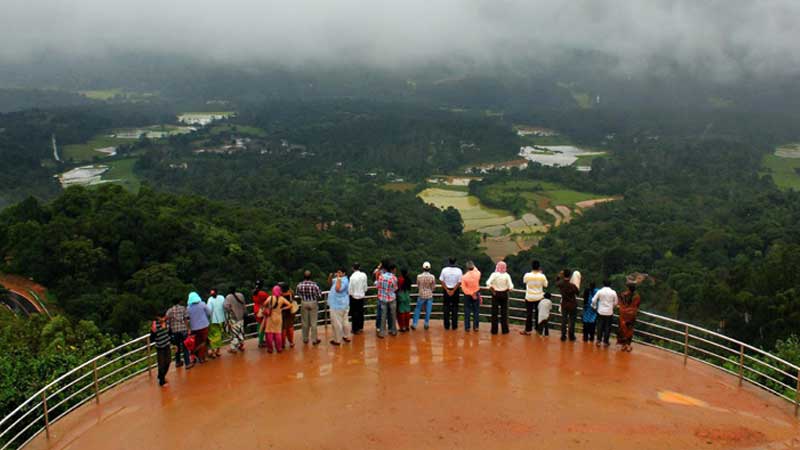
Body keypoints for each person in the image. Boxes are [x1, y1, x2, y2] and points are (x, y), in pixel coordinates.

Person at [486, 261, 514, 335]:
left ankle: (494, 330)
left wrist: (493, 290)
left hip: (495, 294)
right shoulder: (507, 275)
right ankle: (505, 330)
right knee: (504, 313)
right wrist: (507, 290)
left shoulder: (494, 274)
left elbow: (488, 283)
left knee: (494, 313)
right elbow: (511, 287)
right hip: (504, 294)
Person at [521, 260, 548, 336]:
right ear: (539, 267)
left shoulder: (527, 275)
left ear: (532, 266)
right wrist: (541, 274)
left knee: (529, 314)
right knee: (538, 314)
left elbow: (524, 281)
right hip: (539, 297)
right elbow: (546, 285)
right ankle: (538, 329)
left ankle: (528, 330)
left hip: (529, 297)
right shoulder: (542, 276)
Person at [262, 285, 291, 353]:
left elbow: (264, 304)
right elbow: (290, 305)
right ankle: (279, 348)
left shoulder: (270, 298)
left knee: (269, 333)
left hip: (270, 317)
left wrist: (268, 307)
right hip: (278, 317)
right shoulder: (282, 298)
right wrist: (283, 308)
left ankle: (270, 349)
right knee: (278, 333)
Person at [296, 271, 323, 345]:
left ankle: (305, 339)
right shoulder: (314, 285)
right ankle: (314, 340)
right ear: (311, 276)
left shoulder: (300, 285)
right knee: (313, 322)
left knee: (305, 322)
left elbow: (297, 293)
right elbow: (320, 294)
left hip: (304, 302)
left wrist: (303, 297)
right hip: (313, 302)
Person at [327, 268, 351, 346]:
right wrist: (330, 277)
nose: (337, 273)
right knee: (344, 321)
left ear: (344, 273)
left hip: (338, 305)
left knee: (336, 323)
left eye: (339, 272)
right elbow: (330, 284)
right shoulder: (339, 279)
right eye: (337, 272)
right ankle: (346, 336)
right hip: (342, 304)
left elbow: (337, 289)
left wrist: (339, 278)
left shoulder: (344, 281)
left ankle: (337, 340)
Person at [591, 280, 618, 347]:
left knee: (599, 326)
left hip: (600, 311)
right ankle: (606, 342)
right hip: (609, 312)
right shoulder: (613, 292)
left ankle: (598, 341)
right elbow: (616, 302)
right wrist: (612, 307)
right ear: (610, 284)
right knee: (607, 327)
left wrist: (594, 307)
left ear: (603, 284)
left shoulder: (600, 291)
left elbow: (593, 300)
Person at [165, 299, 191, 369]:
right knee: (185, 347)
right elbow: (186, 319)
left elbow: (167, 321)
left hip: (174, 331)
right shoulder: (183, 309)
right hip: (183, 330)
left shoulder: (169, 311)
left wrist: (169, 330)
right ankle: (187, 363)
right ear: (179, 302)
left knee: (177, 347)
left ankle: (178, 362)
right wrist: (188, 329)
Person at [187, 291, 211, 365]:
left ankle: (194, 355)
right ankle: (202, 357)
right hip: (204, 326)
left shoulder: (188, 308)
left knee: (196, 342)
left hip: (194, 328)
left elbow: (187, 318)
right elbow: (209, 312)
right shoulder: (202, 304)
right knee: (204, 342)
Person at [439, 257, 463, 330]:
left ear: (449, 262)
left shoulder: (444, 270)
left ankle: (446, 326)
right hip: (455, 291)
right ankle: (454, 325)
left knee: (446, 308)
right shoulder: (459, 271)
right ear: (455, 262)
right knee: (455, 308)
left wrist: (447, 289)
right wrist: (453, 290)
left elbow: (442, 281)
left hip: (446, 290)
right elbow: (459, 282)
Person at [375, 261, 399, 338]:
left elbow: (377, 286)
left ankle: (382, 333)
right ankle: (393, 330)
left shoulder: (381, 277)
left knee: (383, 316)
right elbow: (395, 288)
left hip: (382, 299)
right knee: (393, 315)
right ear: (392, 269)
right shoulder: (394, 278)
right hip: (391, 299)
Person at [617, 284, 642, 352]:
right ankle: (628, 345)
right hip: (631, 315)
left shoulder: (622, 294)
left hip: (623, 314)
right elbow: (637, 305)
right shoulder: (637, 296)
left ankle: (623, 345)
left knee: (622, 329)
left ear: (628, 288)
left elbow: (619, 303)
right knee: (629, 329)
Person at [556, 269, 579, 342]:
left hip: (564, 304)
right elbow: (577, 292)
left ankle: (563, 335)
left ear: (563, 275)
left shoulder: (561, 284)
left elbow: (556, 283)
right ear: (570, 275)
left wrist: (559, 276)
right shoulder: (572, 285)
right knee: (572, 320)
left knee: (564, 320)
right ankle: (571, 336)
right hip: (572, 304)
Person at [413, 262, 436, 330]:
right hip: (429, 295)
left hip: (421, 295)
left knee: (417, 309)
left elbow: (418, 285)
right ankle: (426, 323)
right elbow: (433, 287)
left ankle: (414, 324)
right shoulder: (432, 277)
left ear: (423, 268)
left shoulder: (419, 276)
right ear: (429, 268)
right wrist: (430, 290)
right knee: (428, 310)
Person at [223, 286, 247, 353]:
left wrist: (230, 310)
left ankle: (233, 348)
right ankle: (241, 345)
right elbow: (244, 304)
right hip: (241, 316)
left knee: (234, 333)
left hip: (234, 318)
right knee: (241, 331)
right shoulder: (241, 295)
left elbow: (226, 306)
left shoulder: (228, 297)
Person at [150, 314, 172, 387]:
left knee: (168, 362)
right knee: (161, 364)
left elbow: (170, 333)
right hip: (160, 347)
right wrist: (153, 332)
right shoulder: (155, 325)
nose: (162, 319)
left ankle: (161, 376)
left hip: (167, 345)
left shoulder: (167, 323)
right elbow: (151, 339)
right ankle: (161, 381)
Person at [461, 261, 482, 332]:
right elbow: (476, 270)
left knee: (467, 310)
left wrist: (470, 293)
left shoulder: (464, 277)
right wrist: (473, 294)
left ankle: (467, 327)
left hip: (467, 295)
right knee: (476, 311)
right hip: (476, 292)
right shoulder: (478, 274)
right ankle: (476, 326)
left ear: (467, 268)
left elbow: (463, 288)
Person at [349, 263, 368, 335]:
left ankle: (355, 329)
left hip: (354, 297)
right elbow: (365, 286)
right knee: (361, 312)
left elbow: (350, 289)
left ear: (353, 268)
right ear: (359, 267)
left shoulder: (352, 277)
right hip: (361, 296)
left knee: (354, 313)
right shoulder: (364, 275)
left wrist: (351, 294)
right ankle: (360, 327)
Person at [207, 289, 226, 358]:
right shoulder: (221, 297)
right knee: (219, 336)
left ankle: (214, 351)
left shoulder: (210, 299)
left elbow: (209, 310)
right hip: (221, 319)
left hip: (213, 320)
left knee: (213, 336)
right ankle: (217, 351)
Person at [279, 282, 297, 348]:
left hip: (282, 312)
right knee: (290, 327)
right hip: (290, 312)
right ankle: (291, 342)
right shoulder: (291, 293)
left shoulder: (280, 295)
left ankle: (283, 343)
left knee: (283, 328)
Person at [252, 280, 269, 348]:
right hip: (262, 310)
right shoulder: (262, 293)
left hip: (256, 310)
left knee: (259, 325)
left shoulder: (254, 292)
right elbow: (268, 300)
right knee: (264, 326)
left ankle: (261, 340)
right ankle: (262, 342)